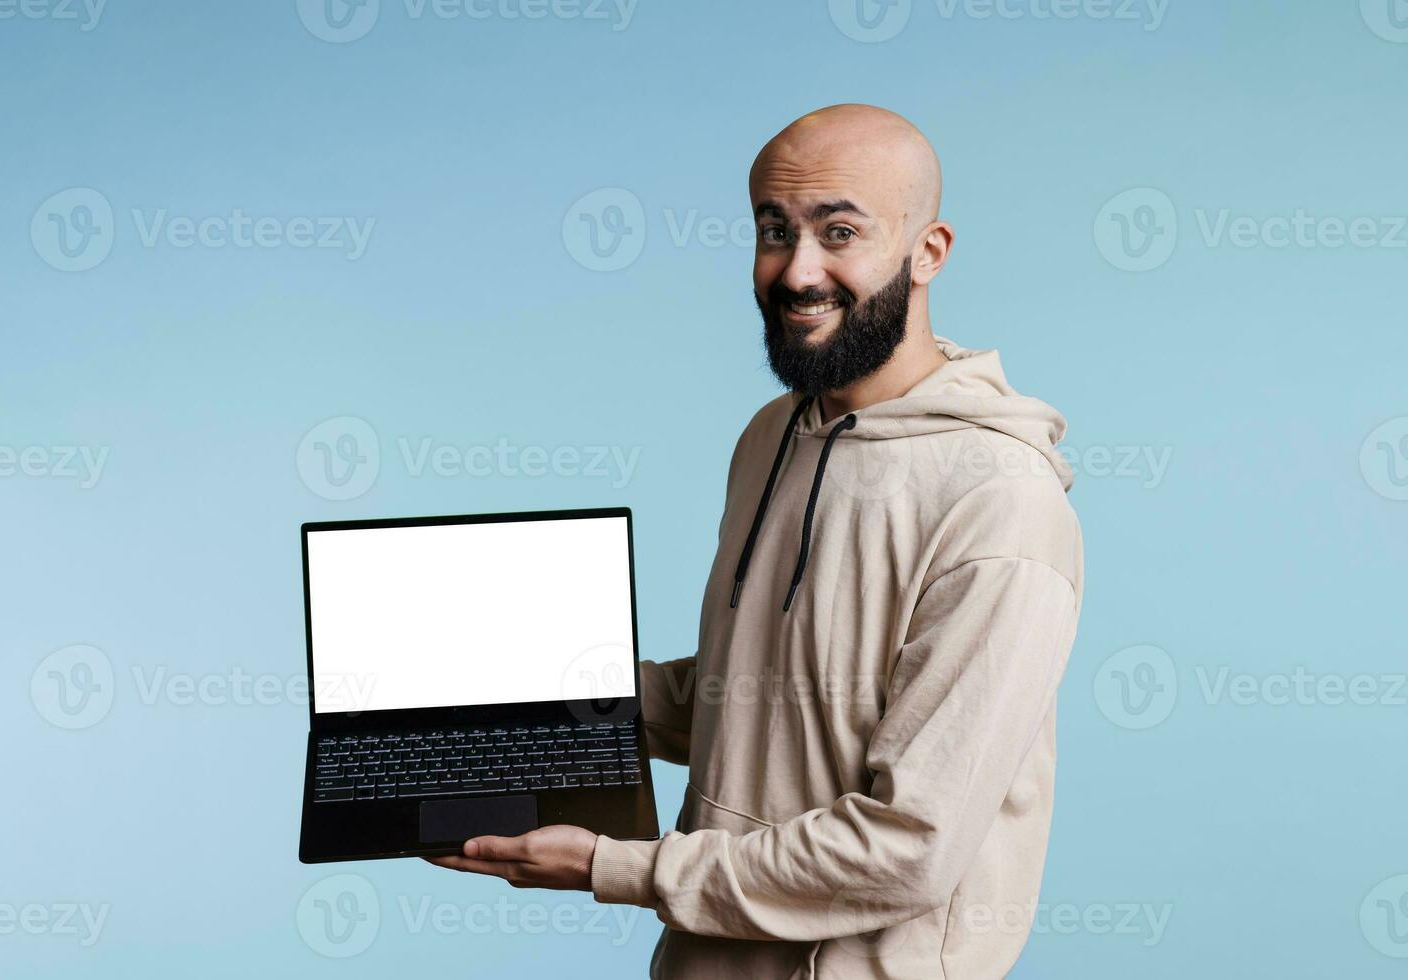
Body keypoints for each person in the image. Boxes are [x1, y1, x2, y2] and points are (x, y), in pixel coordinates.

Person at [428, 102, 1085, 979]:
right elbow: (762, 699)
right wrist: (509, 707)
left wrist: (608, 865)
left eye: (838, 230)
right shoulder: (774, 432)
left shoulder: (1000, 502)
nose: (796, 270)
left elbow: (910, 846)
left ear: (929, 251)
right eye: (774, 230)